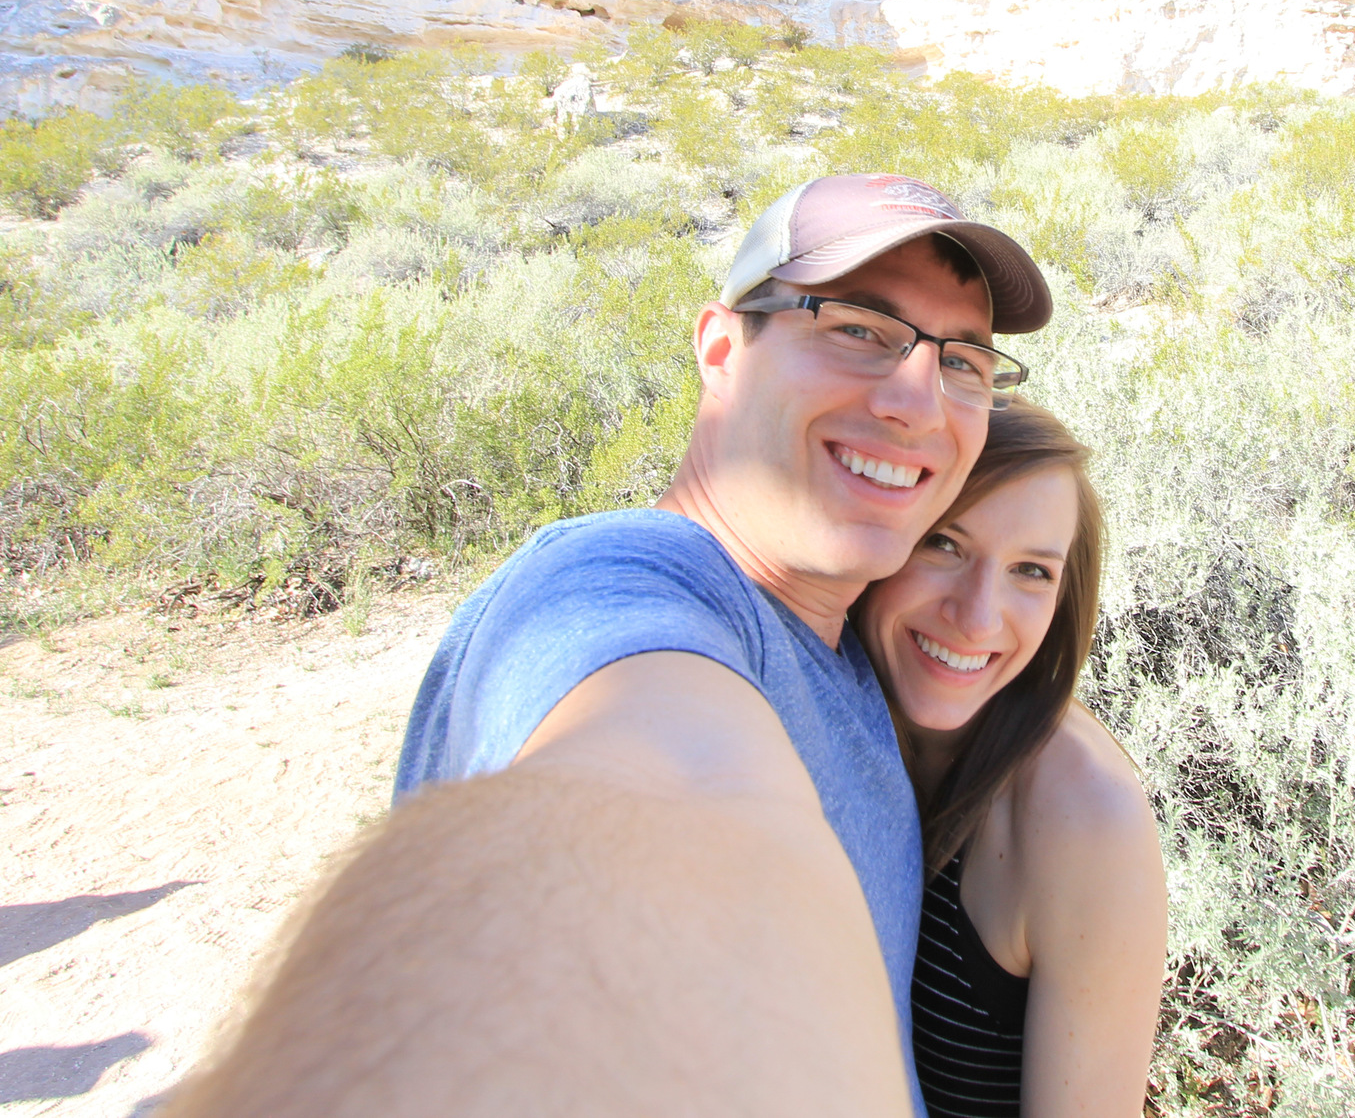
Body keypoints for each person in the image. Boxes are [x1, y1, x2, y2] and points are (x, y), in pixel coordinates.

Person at [166, 174, 1052, 1118]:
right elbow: (653, 792)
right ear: (722, 348)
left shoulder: (844, 638)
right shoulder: (621, 583)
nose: (920, 400)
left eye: (964, 361)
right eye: (859, 329)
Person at [856, 402, 1167, 1118]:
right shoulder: (816, 703)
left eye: (1031, 569)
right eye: (943, 543)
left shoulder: (1086, 816)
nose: (976, 615)